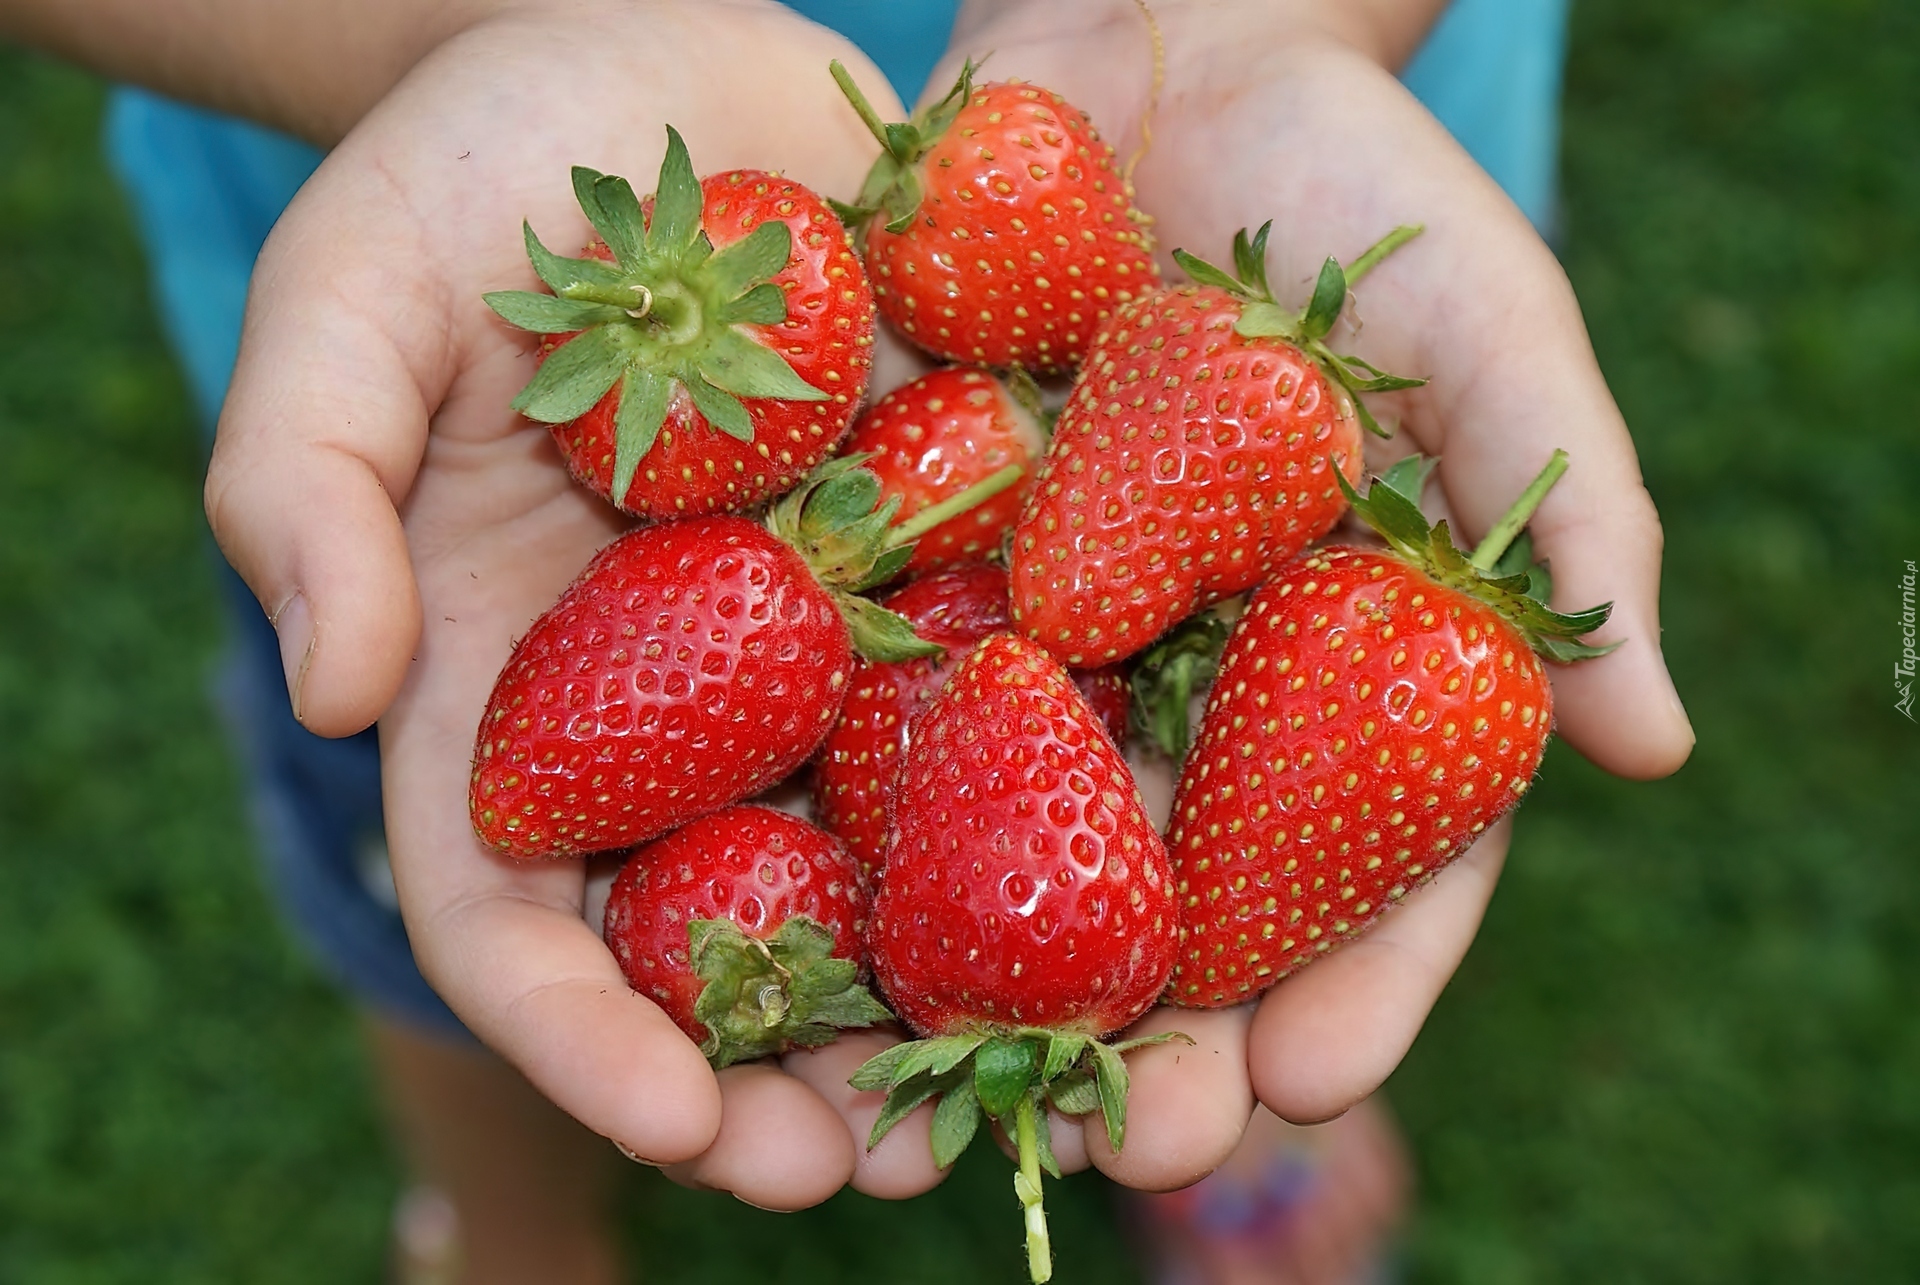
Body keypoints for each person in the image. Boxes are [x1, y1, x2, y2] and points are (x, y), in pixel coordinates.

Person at [0, 0, 1695, 1280]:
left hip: (1245, 85)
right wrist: (461, 40)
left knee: (1164, 990)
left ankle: (1155, 1060)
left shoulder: (1096, 482)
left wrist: (1232, 31)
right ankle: (507, 1224)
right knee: (438, 901)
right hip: (407, 176)